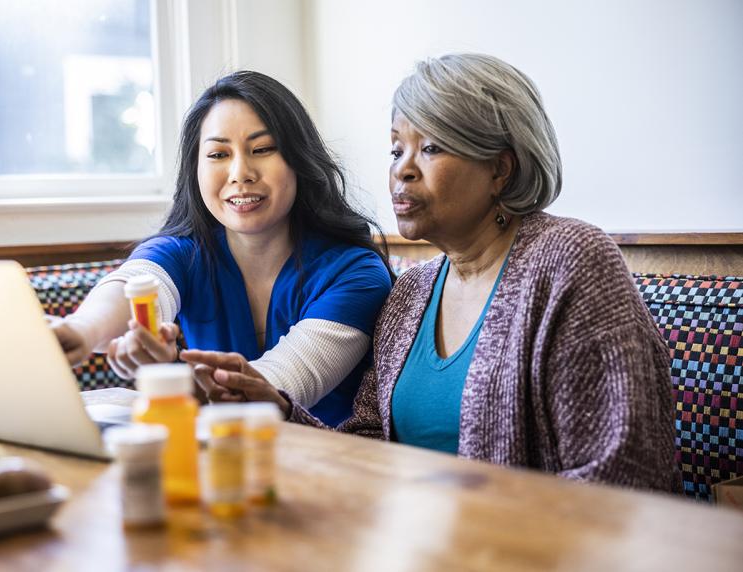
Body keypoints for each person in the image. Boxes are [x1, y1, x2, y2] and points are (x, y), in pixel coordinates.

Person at [181, 54, 680, 491]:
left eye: (432, 148)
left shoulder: (570, 260)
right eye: (396, 149)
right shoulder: (411, 292)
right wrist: (277, 407)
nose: (403, 169)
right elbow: (369, 448)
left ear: (500, 169)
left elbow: (626, 473)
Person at [52, 70, 393, 427]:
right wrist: (79, 332)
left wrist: (166, 375)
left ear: (299, 161)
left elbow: (272, 390)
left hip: (329, 464)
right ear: (195, 169)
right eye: (217, 154)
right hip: (218, 460)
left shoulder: (357, 274)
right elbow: (136, 285)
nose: (240, 172)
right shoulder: (183, 253)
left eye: (262, 149)